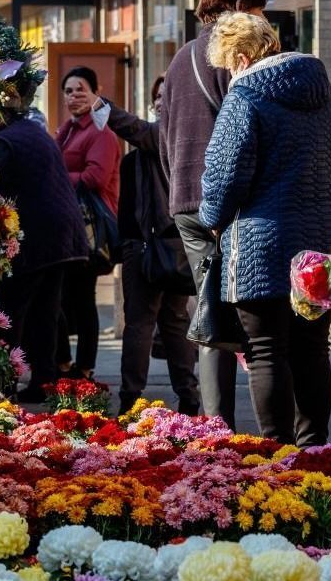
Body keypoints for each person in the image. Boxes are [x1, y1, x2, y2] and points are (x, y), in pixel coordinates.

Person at [199, 12, 331, 446]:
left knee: (265, 350)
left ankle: (277, 449)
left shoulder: (246, 96)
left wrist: (211, 218)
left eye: (229, 64)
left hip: (260, 245)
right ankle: (314, 447)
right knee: (312, 349)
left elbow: (226, 176)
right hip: (318, 245)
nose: (229, 74)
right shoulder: (330, 96)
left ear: (242, 57)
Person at [160, 0, 269, 430]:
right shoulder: (231, 55)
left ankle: (215, 427)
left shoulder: (180, 58)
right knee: (252, 313)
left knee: (210, 309)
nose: (263, 21)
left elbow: (163, 134)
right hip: (229, 200)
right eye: (260, 11)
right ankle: (268, 427)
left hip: (185, 199)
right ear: (240, 7)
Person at [88, 78, 202, 416]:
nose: (161, 101)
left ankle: (179, 397)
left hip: (171, 247)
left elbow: (141, 131)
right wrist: (126, 247)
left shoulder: (175, 139)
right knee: (153, 322)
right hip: (144, 247)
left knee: (166, 322)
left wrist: (103, 106)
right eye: (157, 96)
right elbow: (126, 212)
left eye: (168, 95)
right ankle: (137, 398)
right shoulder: (137, 158)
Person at [0, 91, 89, 404]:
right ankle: (44, 381)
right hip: (63, 234)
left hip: (36, 235)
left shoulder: (4, 142)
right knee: (45, 311)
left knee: (12, 311)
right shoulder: (33, 130)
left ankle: (3, 384)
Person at [53, 66, 122, 383]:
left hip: (91, 230)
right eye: (68, 91)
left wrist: (54, 179)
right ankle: (65, 364)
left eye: (81, 89)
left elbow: (95, 178)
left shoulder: (101, 133)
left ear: (97, 92)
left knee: (82, 300)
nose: (74, 96)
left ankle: (84, 369)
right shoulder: (67, 130)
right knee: (65, 297)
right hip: (69, 227)